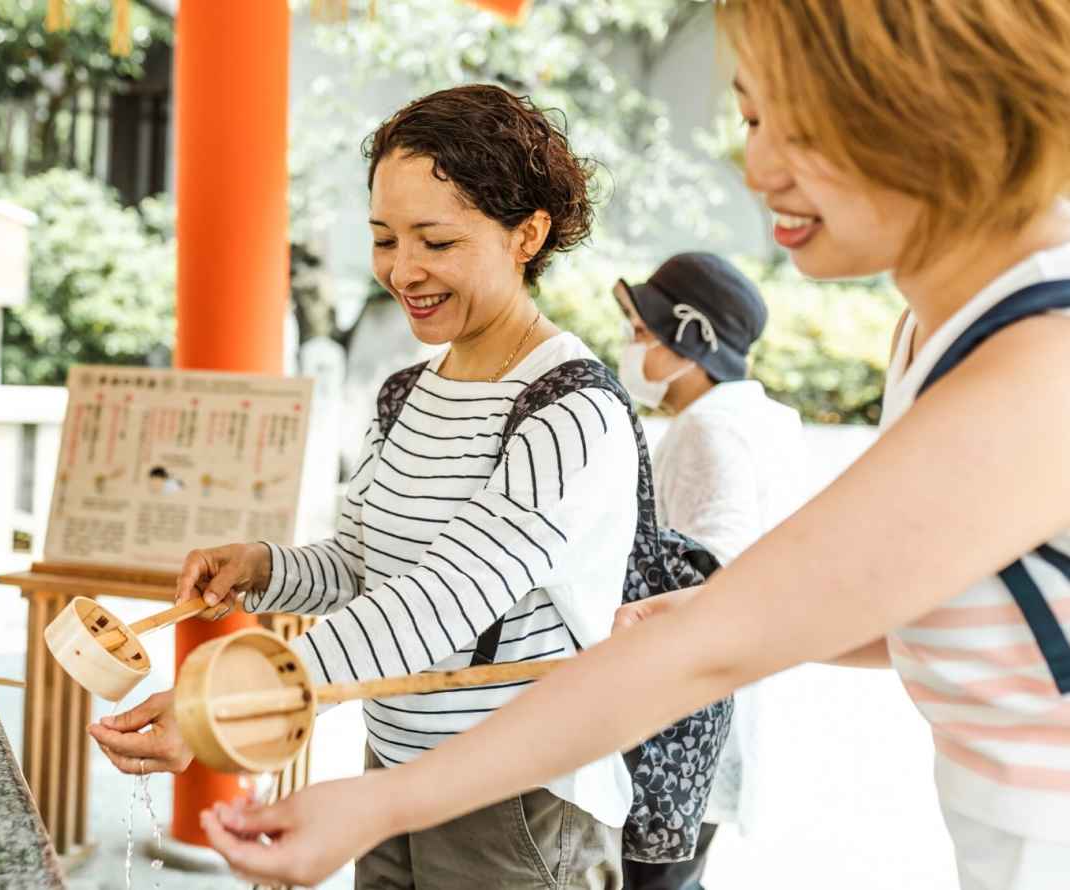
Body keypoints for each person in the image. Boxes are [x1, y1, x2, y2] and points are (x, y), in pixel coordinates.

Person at [197, 3, 1070, 889]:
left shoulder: (1042, 359)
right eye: (754, 118)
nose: (757, 167)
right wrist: (714, 614)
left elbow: (691, 650)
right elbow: (940, 607)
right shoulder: (937, 334)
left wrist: (322, 755)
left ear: (940, 111)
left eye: (801, 127)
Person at [90, 84, 643, 889]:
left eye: (437, 242)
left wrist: (233, 703)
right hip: (395, 768)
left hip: (516, 796)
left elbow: (444, 597)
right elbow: (365, 566)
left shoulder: (570, 411)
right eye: (385, 239)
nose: (403, 270)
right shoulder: (407, 388)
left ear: (528, 234)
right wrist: (265, 567)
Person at [613, 252, 804, 890]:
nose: (630, 346)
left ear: (690, 341)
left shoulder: (708, 431)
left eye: (642, 332)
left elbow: (708, 572)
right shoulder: (766, 421)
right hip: (728, 708)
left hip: (681, 730)